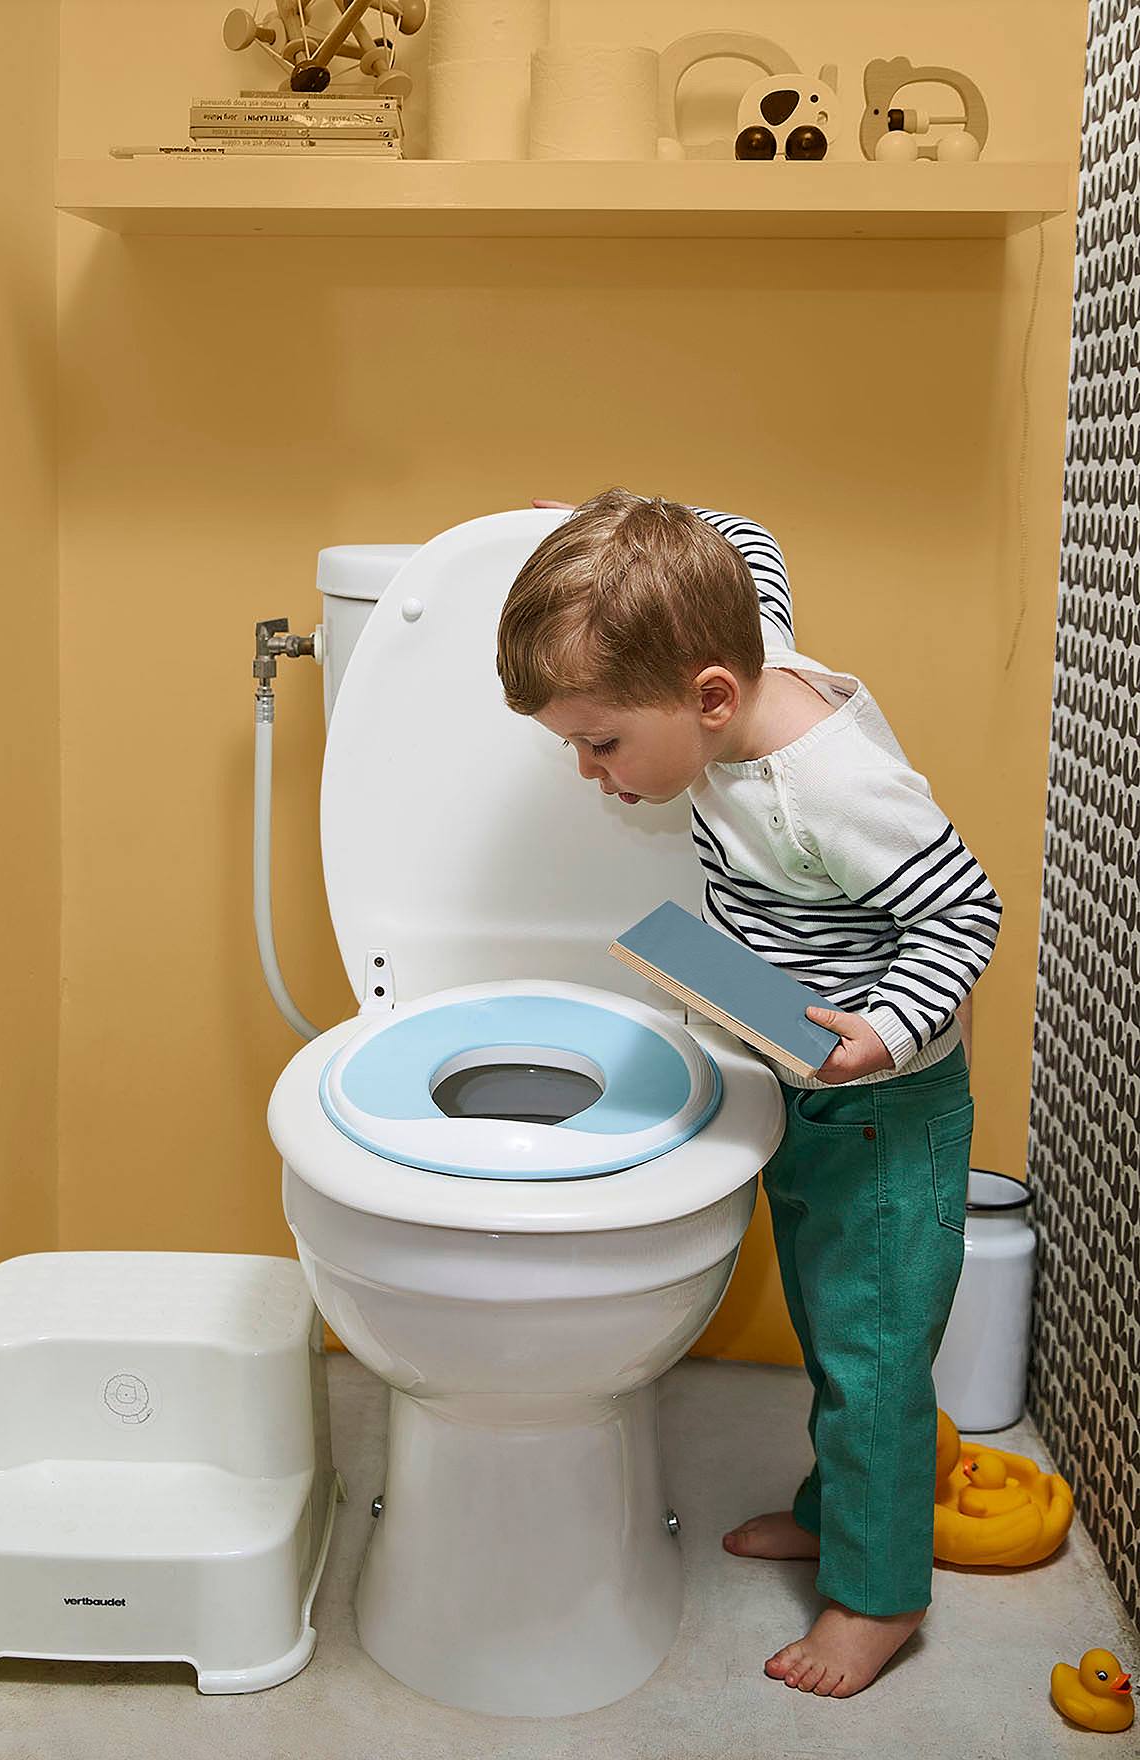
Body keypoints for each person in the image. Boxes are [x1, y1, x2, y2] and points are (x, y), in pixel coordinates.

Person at [498, 488, 1002, 1698]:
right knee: (846, 1330)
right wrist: (604, 529)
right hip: (801, 1068)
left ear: (711, 698)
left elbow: (966, 908)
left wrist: (881, 1033)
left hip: (882, 1107)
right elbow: (748, 541)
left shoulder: (829, 788)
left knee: (871, 1355)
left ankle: (879, 1598)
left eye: (604, 740)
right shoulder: (734, 629)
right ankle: (843, 1515)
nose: (588, 769)